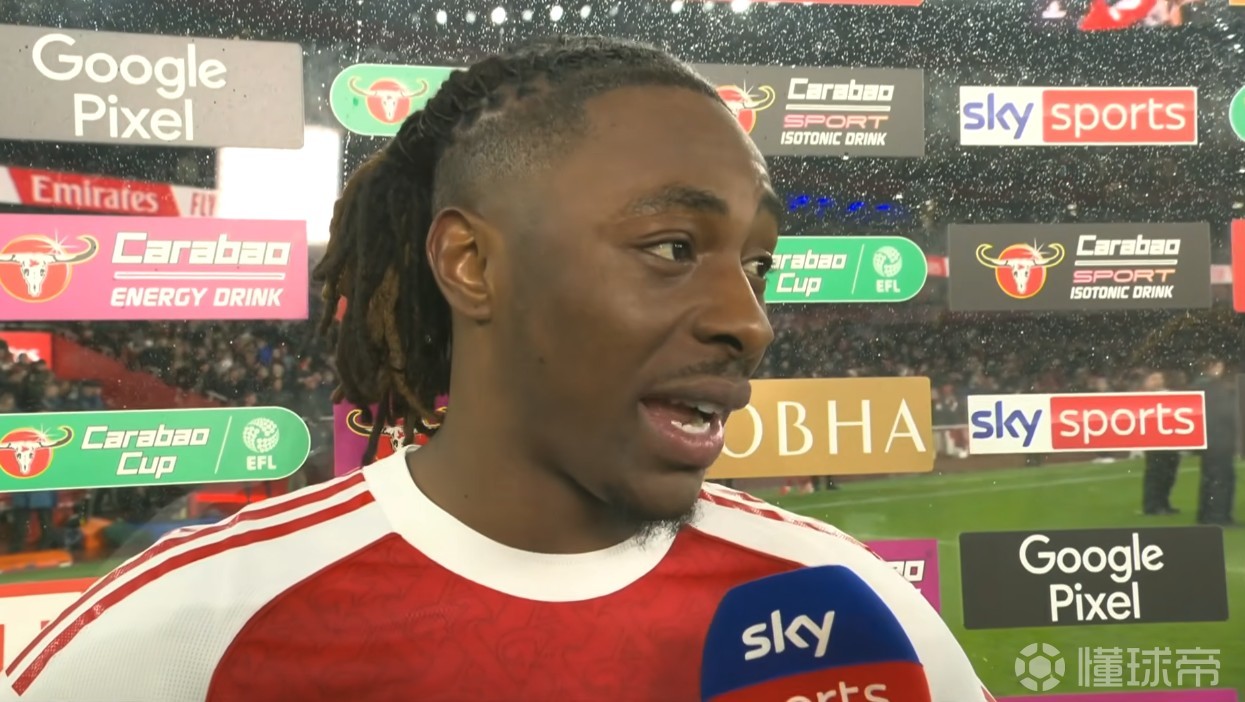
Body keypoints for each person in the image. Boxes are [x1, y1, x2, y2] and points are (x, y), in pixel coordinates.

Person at [4, 37, 991, 701]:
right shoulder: (188, 634)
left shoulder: (852, 613)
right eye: (672, 248)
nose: (749, 321)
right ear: (472, 264)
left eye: (757, 265)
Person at [1194, 357, 1237, 526]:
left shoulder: (1196, 386)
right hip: (1220, 439)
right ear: (1213, 366)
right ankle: (1218, 517)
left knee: (1209, 478)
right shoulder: (1215, 387)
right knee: (1222, 479)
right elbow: (1227, 412)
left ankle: (1205, 514)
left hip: (1206, 439)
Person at [1141, 370, 1181, 516]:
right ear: (1146, 382)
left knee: (1170, 474)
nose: (1157, 381)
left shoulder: (1170, 395)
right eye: (1153, 378)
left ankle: (1164, 503)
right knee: (1156, 474)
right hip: (1154, 442)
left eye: (1159, 378)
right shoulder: (1142, 399)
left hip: (1171, 441)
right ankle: (1152, 506)